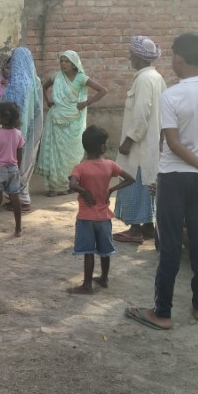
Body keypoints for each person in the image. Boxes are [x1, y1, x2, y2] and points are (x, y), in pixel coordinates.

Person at [125, 31, 198, 330]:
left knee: (170, 244)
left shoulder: (171, 95)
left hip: (174, 177)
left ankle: (162, 312)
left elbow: (173, 144)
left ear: (178, 57)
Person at [68, 126, 135, 295]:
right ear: (103, 147)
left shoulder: (80, 168)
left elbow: (72, 184)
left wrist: (84, 191)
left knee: (88, 252)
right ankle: (104, 278)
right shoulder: (110, 165)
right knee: (105, 251)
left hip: (86, 217)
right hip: (104, 217)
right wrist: (111, 190)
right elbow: (130, 179)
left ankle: (87, 285)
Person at [113, 36, 167, 244]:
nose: (129, 57)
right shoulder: (156, 77)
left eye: (131, 54)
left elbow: (141, 113)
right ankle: (148, 226)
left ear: (138, 57)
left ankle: (135, 229)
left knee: (135, 180)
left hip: (139, 145)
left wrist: (129, 139)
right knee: (147, 181)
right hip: (150, 143)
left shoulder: (144, 79)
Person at [36, 50, 108, 197]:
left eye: (67, 61)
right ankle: (56, 187)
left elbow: (103, 90)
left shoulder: (81, 78)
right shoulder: (56, 77)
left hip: (74, 122)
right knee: (56, 154)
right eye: (61, 61)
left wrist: (86, 103)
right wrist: (48, 101)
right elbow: (43, 86)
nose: (63, 64)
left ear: (74, 64)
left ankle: (70, 184)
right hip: (56, 119)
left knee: (70, 154)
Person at [1, 47, 44, 211]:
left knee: (14, 163)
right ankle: (19, 197)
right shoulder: (35, 80)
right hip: (30, 128)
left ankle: (22, 200)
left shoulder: (17, 83)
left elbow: (11, 109)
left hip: (15, 130)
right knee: (24, 160)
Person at [0, 102, 25, 238]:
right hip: (13, 169)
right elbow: (19, 154)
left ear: (3, 117)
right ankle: (18, 229)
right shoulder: (18, 134)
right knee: (15, 199)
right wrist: (17, 168)